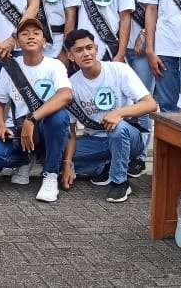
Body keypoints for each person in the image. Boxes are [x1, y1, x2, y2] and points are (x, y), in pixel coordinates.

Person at [0, 18, 72, 202]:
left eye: (36, 33)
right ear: (18, 42)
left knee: (59, 117)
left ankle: (50, 175)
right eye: (25, 34)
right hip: (17, 129)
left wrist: (32, 119)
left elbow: (66, 95)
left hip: (45, 129)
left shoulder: (54, 65)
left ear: (44, 41)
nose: (31, 37)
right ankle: (25, 160)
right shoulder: (11, 67)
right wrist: (0, 125)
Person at [62, 29, 158, 202]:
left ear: (96, 48)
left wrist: (118, 113)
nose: (86, 53)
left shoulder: (119, 70)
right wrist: (68, 163)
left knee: (118, 128)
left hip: (129, 137)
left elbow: (150, 104)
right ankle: (104, 166)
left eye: (89, 47)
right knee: (56, 153)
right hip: (96, 142)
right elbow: (71, 130)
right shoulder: (72, 85)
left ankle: (119, 182)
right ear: (70, 56)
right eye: (79, 50)